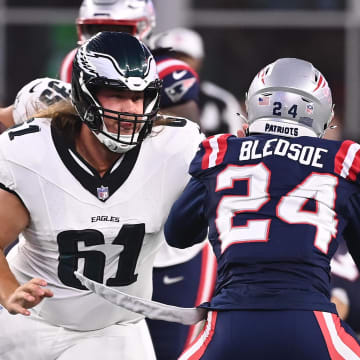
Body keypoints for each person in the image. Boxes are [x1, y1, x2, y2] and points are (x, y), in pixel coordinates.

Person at [0, 31, 204, 360]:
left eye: (140, 96)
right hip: (26, 322)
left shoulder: (176, 147)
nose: (132, 109)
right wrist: (9, 291)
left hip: (113, 330)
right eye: (117, 94)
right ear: (84, 93)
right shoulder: (30, 152)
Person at [163, 58, 360, 359]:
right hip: (310, 322)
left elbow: (177, 234)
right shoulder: (341, 161)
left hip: (229, 323)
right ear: (320, 113)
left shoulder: (220, 154)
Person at [58, 2, 217, 358]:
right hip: (103, 242)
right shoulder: (74, 66)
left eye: (122, 27)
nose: (104, 36)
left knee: (169, 350)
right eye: (95, 27)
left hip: (166, 249)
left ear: (144, 28)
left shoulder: (169, 70)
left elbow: (184, 141)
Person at [149, 27, 244, 136]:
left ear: (199, 61)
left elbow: (234, 143)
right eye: (171, 57)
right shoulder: (141, 98)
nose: (177, 63)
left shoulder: (222, 102)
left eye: (184, 57)